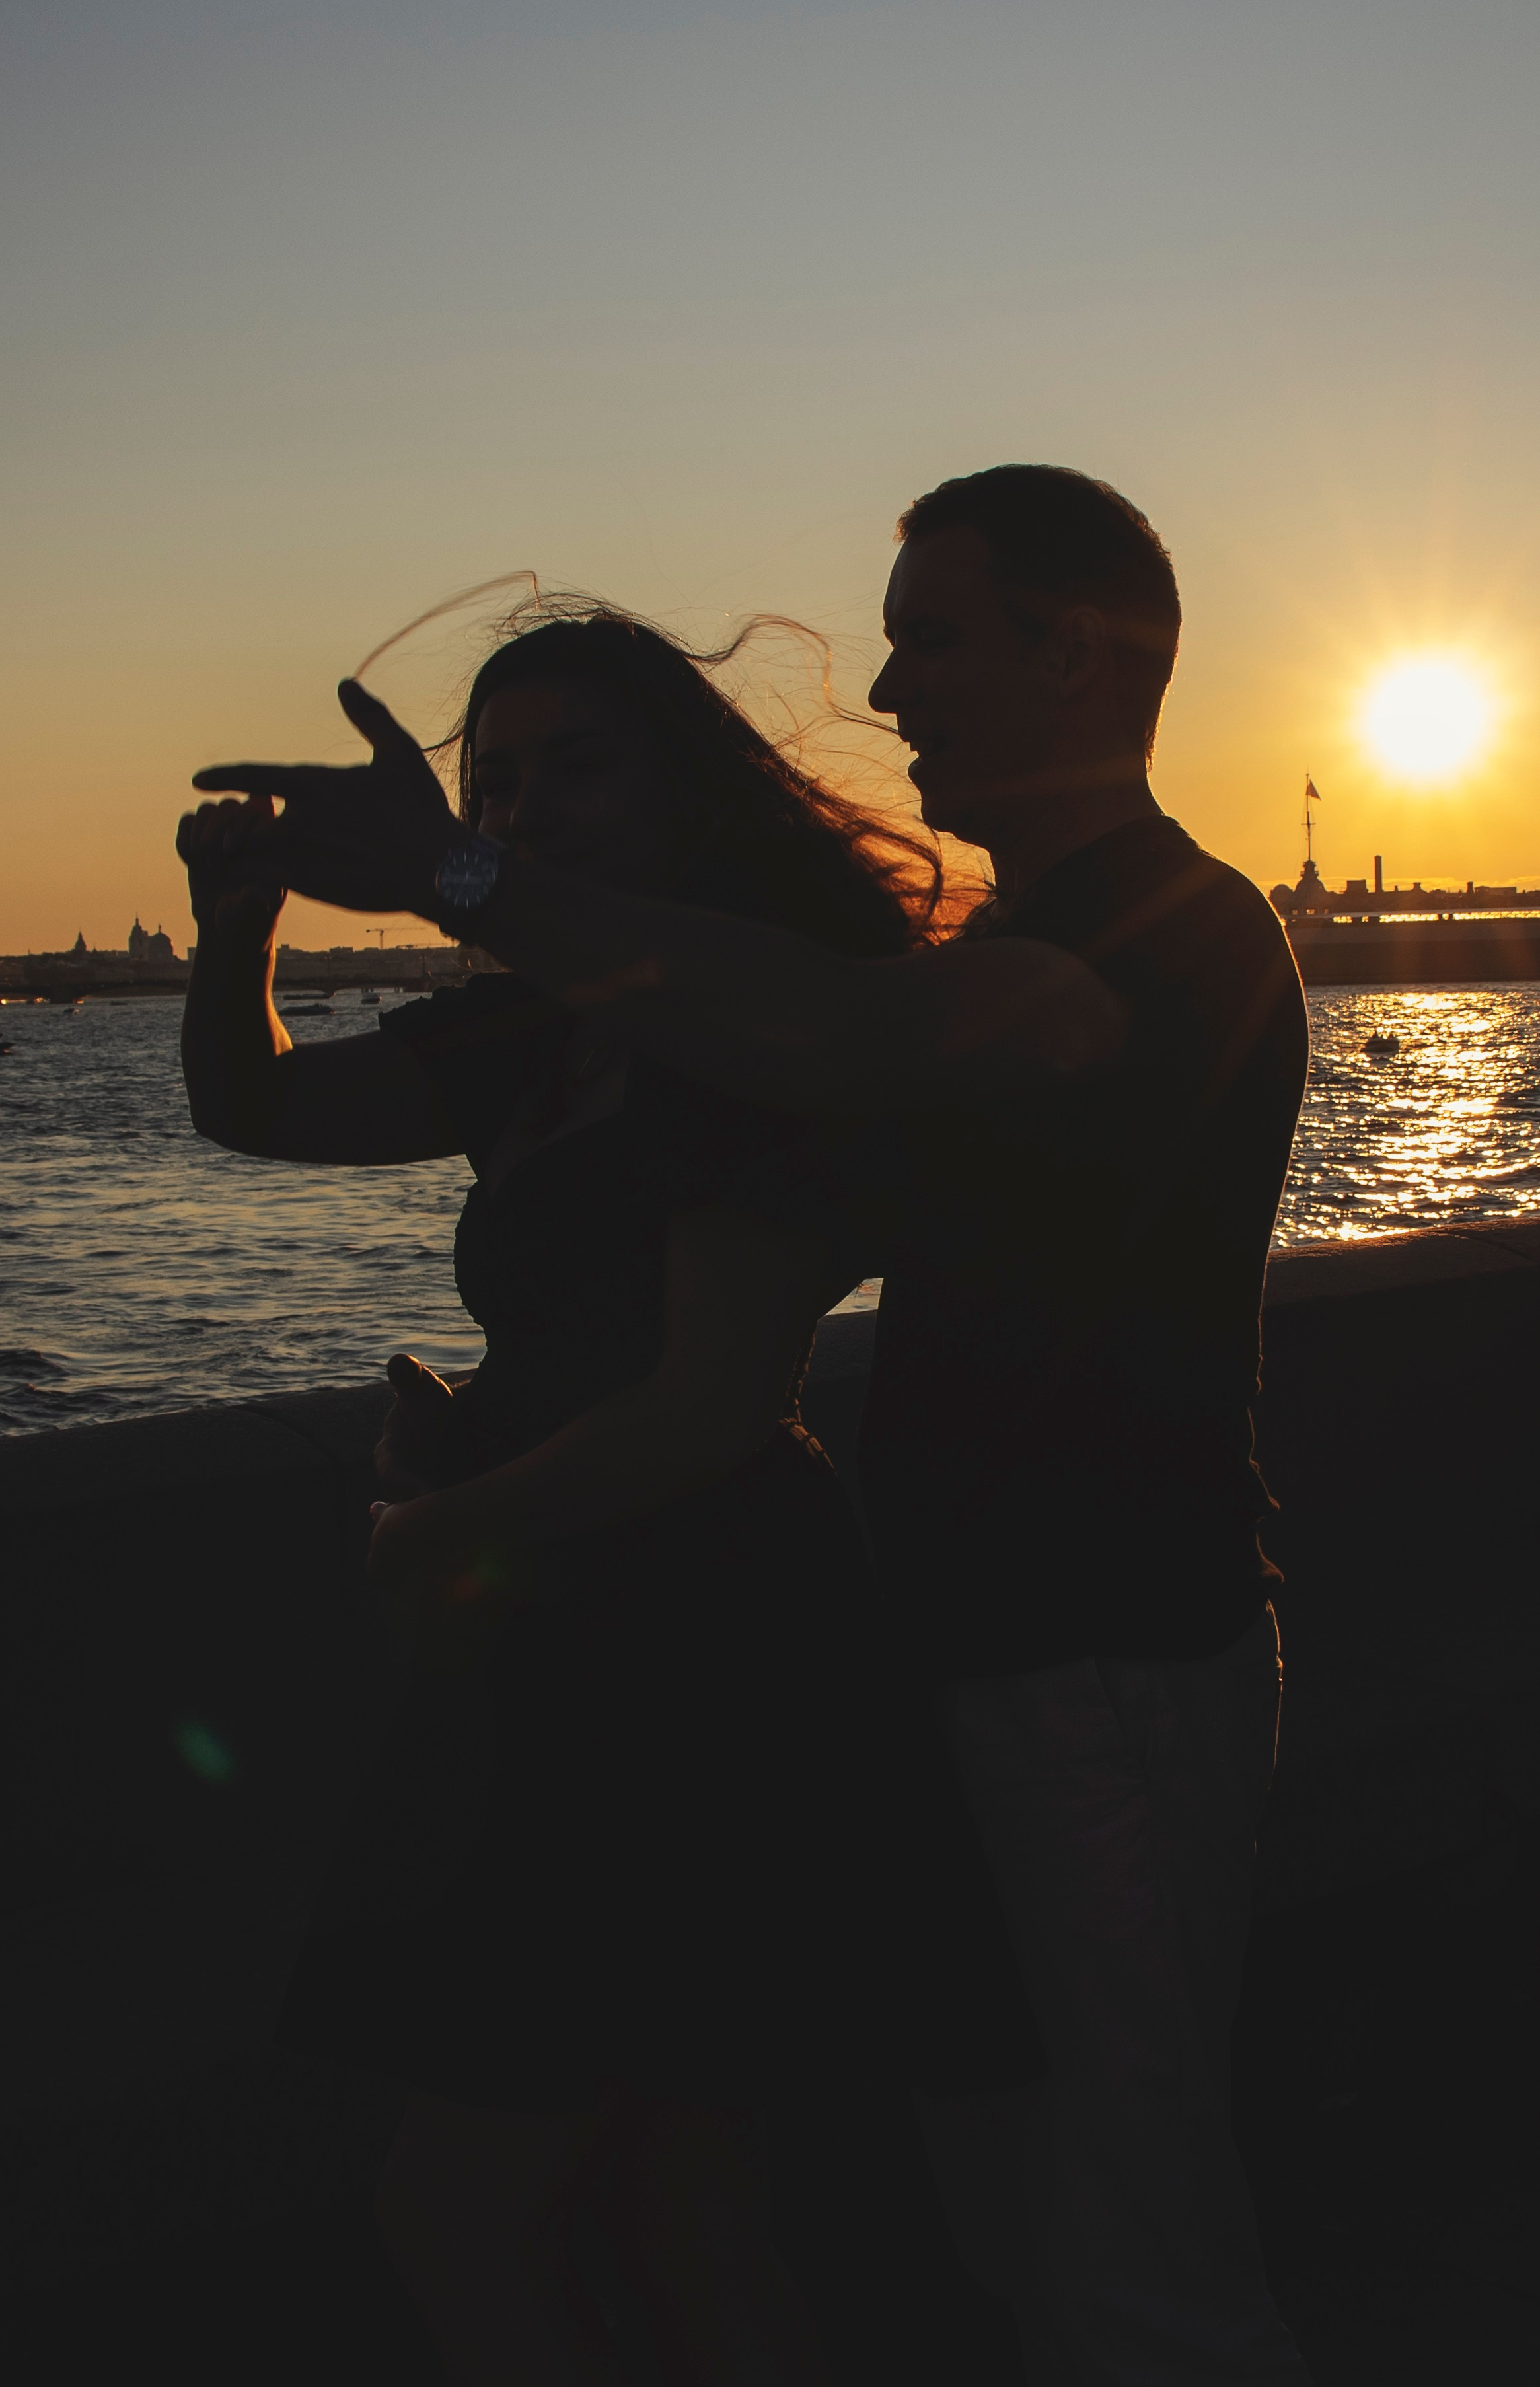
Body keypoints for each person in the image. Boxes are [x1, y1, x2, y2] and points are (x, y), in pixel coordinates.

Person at [196, 464, 1313, 2383]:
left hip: (1095, 1654)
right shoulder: (973, 951)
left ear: (1069, 653)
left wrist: (458, 879)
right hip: (952, 1647)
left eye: (929, 642)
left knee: (1123, 2235)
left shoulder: (1163, 938)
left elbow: (819, 1060)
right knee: (945, 2207)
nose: (888, 694)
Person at [178, 607, 964, 2387]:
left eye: (578, 766)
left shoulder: (750, 1019)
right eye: (500, 779)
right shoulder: (547, 1030)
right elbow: (263, 1110)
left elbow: (707, 1406)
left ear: (686, 781)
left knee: (482, 2209)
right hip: (576, 1638)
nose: (531, 808)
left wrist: (430, 1535)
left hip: (697, 1652)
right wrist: (243, 924)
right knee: (684, 2198)